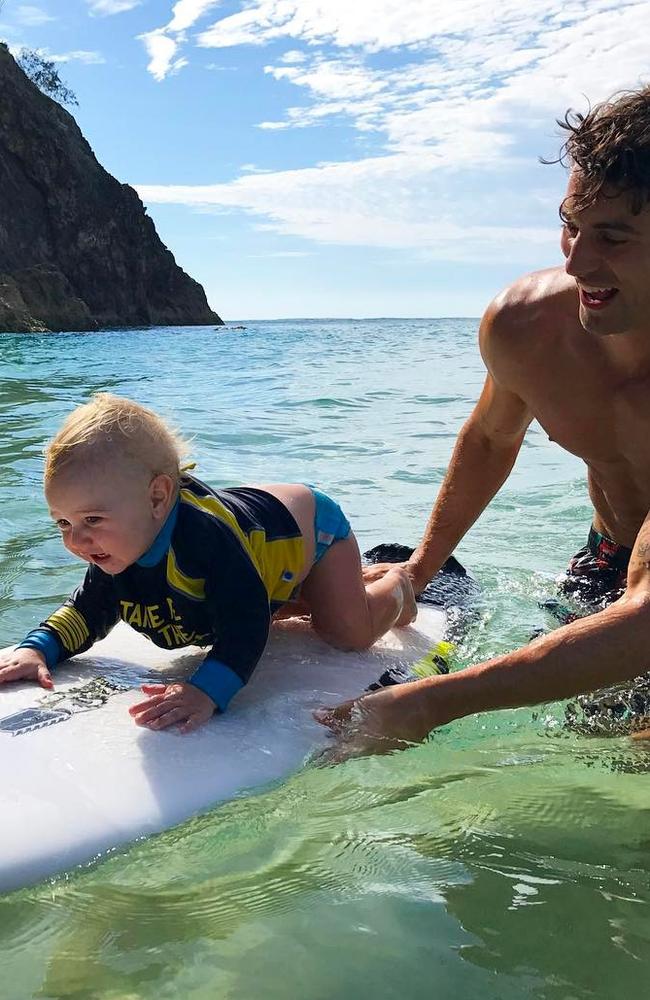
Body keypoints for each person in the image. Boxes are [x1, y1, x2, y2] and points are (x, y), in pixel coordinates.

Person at [316, 86, 650, 752]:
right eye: (571, 224)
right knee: (590, 734)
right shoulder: (527, 328)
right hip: (612, 556)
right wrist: (417, 570)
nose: (576, 260)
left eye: (611, 237)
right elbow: (492, 439)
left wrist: (429, 705)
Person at [0, 393, 416, 733]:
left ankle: (394, 584)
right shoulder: (115, 545)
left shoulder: (204, 541)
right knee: (254, 597)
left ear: (158, 498)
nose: (76, 539)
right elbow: (87, 611)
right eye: (63, 523)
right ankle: (314, 590)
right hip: (258, 545)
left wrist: (207, 690)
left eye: (91, 520)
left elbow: (247, 622)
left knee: (344, 633)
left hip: (312, 531)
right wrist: (39, 649)